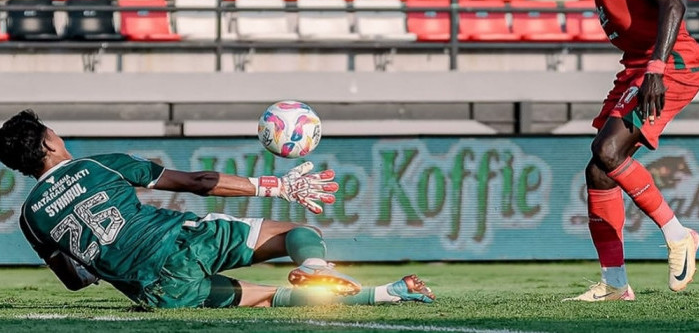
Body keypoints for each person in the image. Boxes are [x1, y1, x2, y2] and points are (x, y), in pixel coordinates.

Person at [0, 109, 434, 309]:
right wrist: (278, 185)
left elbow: (74, 283)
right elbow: (198, 184)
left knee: (268, 300)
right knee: (297, 235)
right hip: (184, 241)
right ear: (49, 142)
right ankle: (316, 263)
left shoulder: (30, 218)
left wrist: (98, 264)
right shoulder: (95, 164)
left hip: (155, 292)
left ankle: (388, 293)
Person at [556, 0, 699, 302]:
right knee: (599, 170)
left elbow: (675, 2)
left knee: (608, 153)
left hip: (668, 66)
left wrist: (655, 67)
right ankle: (616, 284)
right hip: (639, 65)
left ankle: (679, 236)